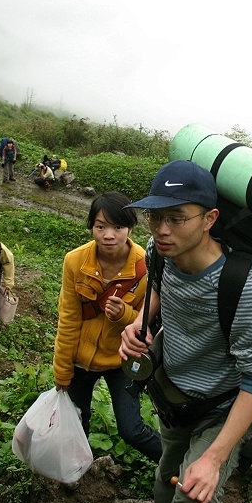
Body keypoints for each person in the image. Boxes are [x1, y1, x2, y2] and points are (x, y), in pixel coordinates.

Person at [119, 160, 252, 503]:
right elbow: (158, 286)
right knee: (165, 483)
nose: (162, 229)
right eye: (154, 216)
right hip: (174, 398)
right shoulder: (158, 252)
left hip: (220, 409)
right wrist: (140, 325)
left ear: (210, 219)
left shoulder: (247, 288)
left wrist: (212, 459)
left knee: (192, 501)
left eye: (177, 218)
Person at [54, 192, 162, 463]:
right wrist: (62, 370)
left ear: (130, 228)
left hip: (121, 360)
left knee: (131, 429)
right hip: (81, 360)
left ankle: (178, 463)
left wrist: (124, 314)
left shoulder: (145, 266)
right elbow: (68, 318)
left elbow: (150, 317)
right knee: (77, 421)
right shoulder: (75, 261)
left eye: (117, 227)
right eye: (100, 226)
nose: (108, 235)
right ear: (91, 226)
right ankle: (77, 469)